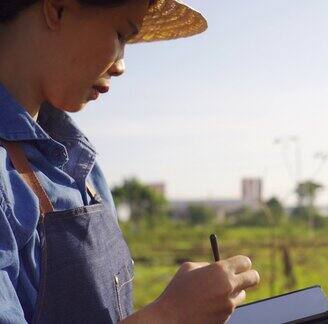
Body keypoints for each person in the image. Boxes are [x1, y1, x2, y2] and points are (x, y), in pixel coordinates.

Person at [0, 0, 260, 323]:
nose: (120, 66)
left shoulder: (82, 165)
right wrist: (170, 315)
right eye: (121, 34)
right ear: (57, 9)